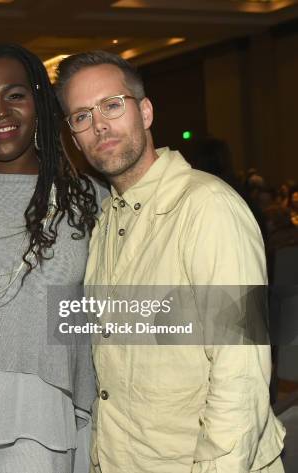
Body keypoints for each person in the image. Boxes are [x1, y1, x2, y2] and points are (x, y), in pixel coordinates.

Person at [55, 50, 286, 473]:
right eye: (81, 116)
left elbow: (241, 372)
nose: (99, 124)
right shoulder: (107, 220)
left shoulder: (207, 207)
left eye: (111, 105)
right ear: (74, 137)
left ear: (144, 111)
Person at [0, 43, 107, 473]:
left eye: (14, 95)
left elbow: (111, 318)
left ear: (38, 102)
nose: (0, 111)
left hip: (48, 424)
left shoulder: (89, 200)